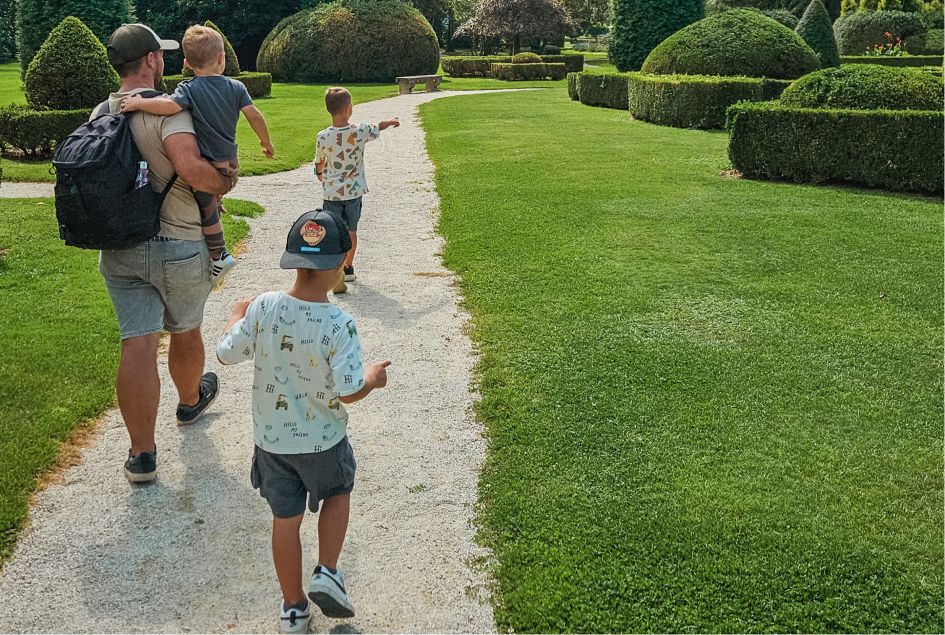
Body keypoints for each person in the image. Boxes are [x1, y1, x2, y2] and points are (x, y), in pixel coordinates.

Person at [217, 210, 391, 633]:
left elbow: (226, 353)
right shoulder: (339, 324)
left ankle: (293, 608)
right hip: (324, 441)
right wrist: (372, 378)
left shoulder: (263, 308)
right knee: (337, 493)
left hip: (273, 444)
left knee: (285, 520)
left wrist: (235, 318)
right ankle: (327, 571)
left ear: (291, 260)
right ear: (339, 264)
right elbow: (349, 390)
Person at [99, 23, 235, 483]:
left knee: (137, 340)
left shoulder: (102, 111)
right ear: (153, 60)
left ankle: (141, 455)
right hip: (178, 243)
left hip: (119, 249)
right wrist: (225, 182)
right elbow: (193, 170)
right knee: (185, 329)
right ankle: (190, 399)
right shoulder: (171, 112)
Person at [121, 24, 275, 287]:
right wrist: (265, 141)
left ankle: (219, 254)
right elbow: (254, 115)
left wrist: (137, 103)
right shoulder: (236, 87)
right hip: (229, 162)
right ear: (222, 58)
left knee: (206, 211)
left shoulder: (188, 89)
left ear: (186, 63)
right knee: (210, 201)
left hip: (208, 164)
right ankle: (216, 203)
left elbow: (168, 106)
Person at [314, 87, 399, 293]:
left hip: (332, 193)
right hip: (353, 192)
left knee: (334, 230)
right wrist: (390, 121)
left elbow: (319, 163)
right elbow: (376, 126)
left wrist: (320, 176)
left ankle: (334, 268)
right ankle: (348, 267)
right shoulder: (358, 131)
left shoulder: (323, 136)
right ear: (348, 110)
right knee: (351, 230)